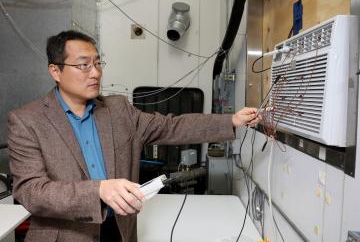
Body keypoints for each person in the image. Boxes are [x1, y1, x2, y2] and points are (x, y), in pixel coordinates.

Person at [7, 30, 260, 242]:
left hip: (118, 230)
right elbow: (32, 192)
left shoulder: (118, 110)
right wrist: (98, 191)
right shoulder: (27, 121)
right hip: (65, 235)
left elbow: (172, 127)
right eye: (83, 65)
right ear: (55, 71)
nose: (95, 73)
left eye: (97, 63)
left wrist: (231, 121)